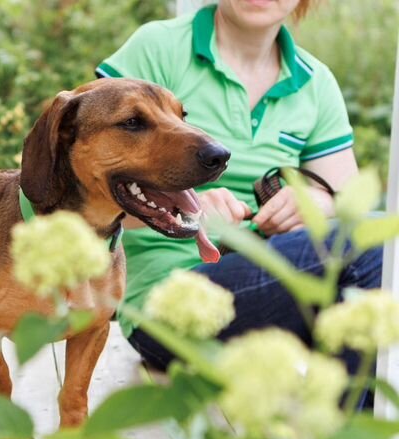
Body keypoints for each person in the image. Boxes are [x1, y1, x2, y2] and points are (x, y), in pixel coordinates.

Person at [95, 0, 382, 375]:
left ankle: (332, 423)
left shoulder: (316, 82)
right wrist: (178, 208)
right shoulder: (158, 49)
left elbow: (348, 208)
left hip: (271, 287)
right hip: (167, 305)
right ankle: (345, 429)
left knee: (378, 242)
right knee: (373, 244)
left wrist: (317, 202)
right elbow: (81, 185)